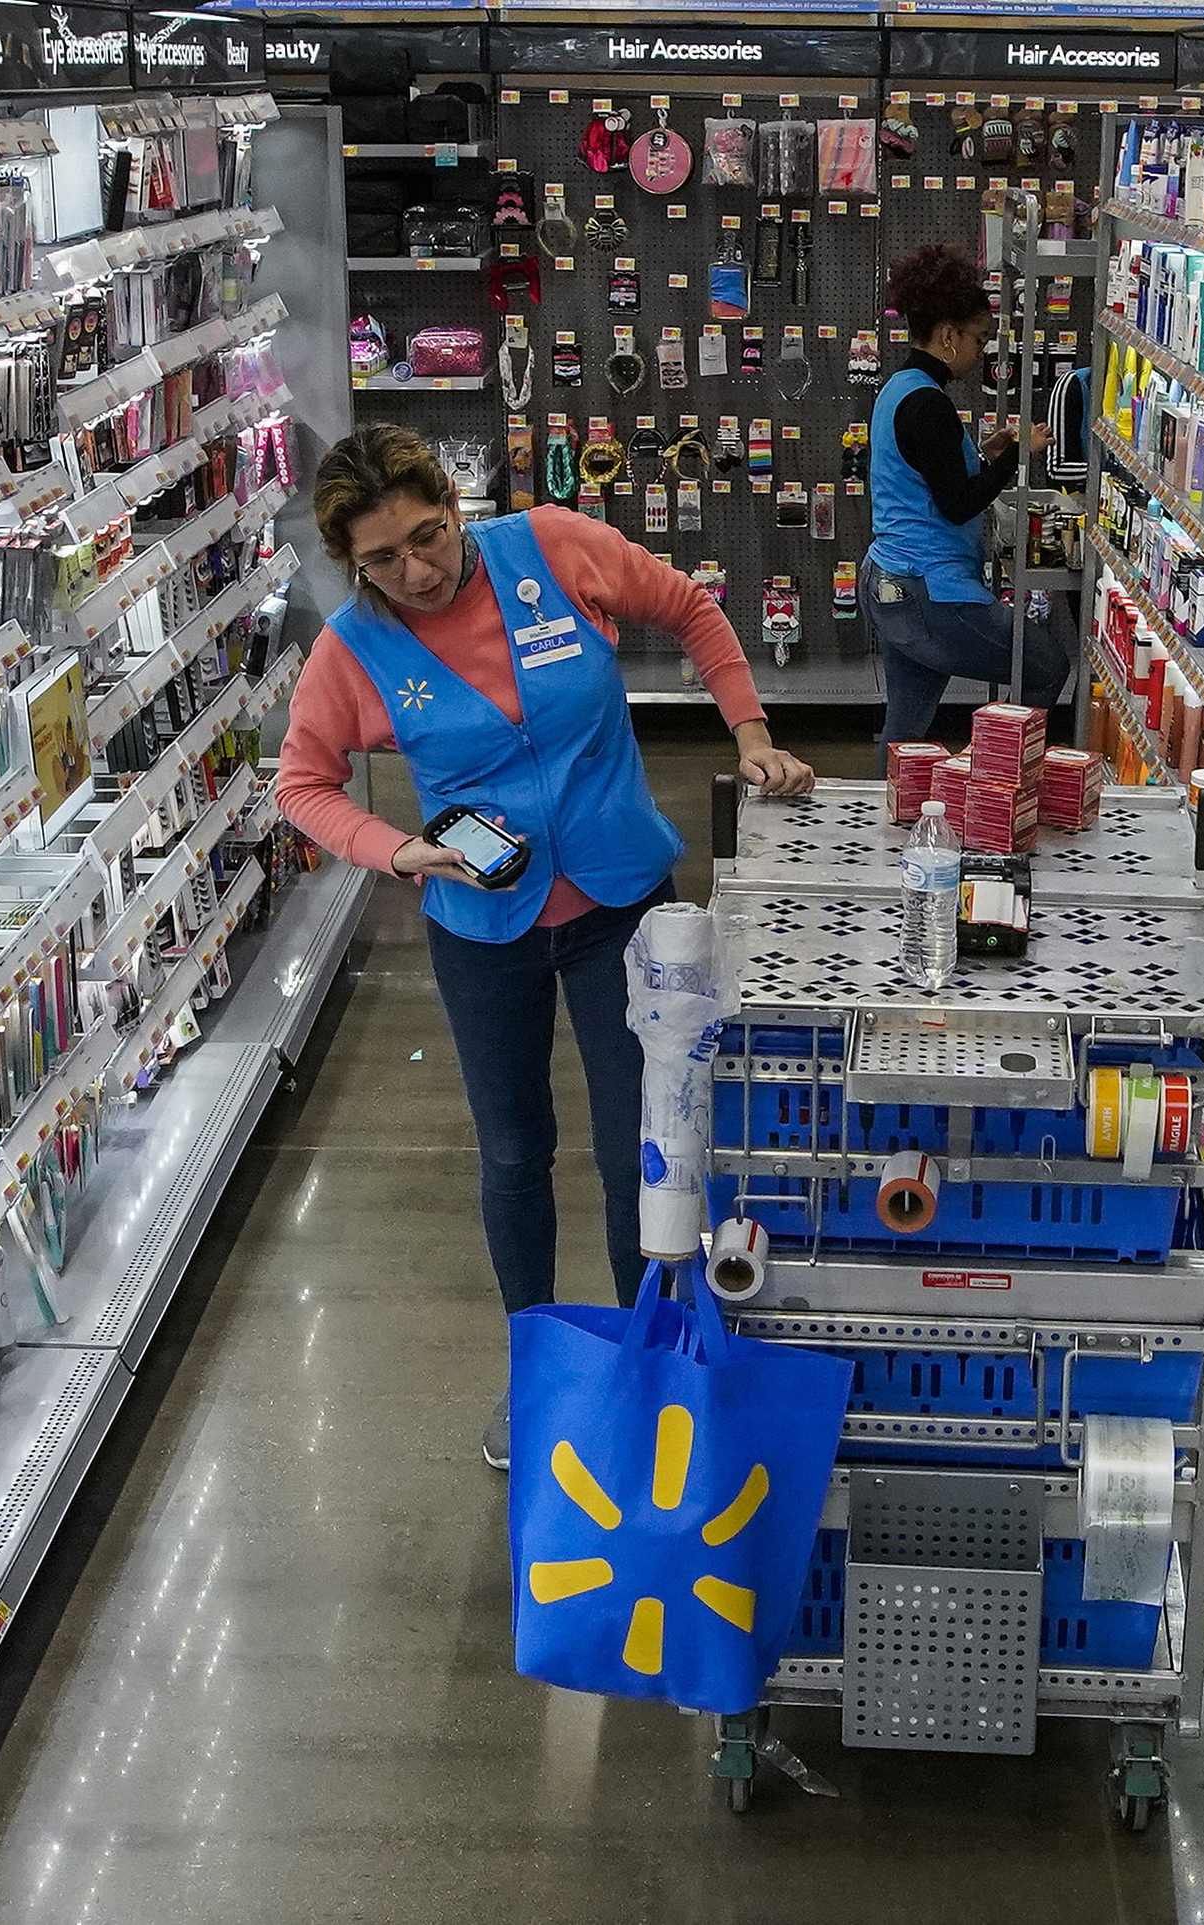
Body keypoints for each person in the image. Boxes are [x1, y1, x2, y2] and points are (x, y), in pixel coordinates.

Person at [274, 425, 815, 1468]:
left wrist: (748, 731)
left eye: (428, 537)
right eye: (381, 560)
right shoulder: (350, 649)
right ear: (349, 561)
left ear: (454, 499)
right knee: (515, 1154)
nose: (417, 571)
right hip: (484, 935)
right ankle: (535, 1372)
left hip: (622, 906)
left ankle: (648, 1360)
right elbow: (301, 782)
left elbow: (692, 609)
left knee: (641, 1154)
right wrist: (400, 853)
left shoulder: (555, 546)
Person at [866, 241, 1078, 745]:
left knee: (906, 731)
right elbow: (958, 502)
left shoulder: (903, 387)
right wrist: (1015, 455)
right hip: (928, 590)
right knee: (1046, 666)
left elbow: (925, 474)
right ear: (947, 335)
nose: (981, 352)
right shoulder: (929, 404)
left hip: (892, 581)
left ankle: (889, 812)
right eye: (979, 340)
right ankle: (998, 784)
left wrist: (985, 453)